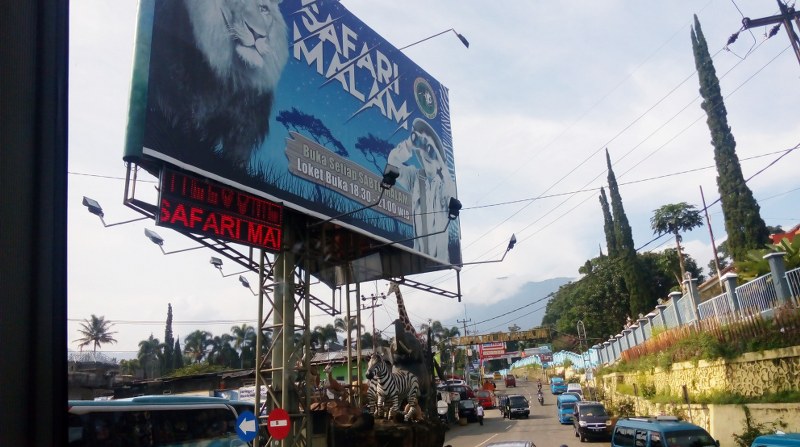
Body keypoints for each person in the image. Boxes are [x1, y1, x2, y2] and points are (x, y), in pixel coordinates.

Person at [388, 118, 458, 263]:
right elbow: (392, 162)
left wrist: (439, 159)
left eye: (430, 148)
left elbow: (451, 194)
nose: (426, 150)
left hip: (441, 260)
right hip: (418, 256)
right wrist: (409, 144)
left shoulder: (444, 185)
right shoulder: (414, 177)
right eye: (423, 145)